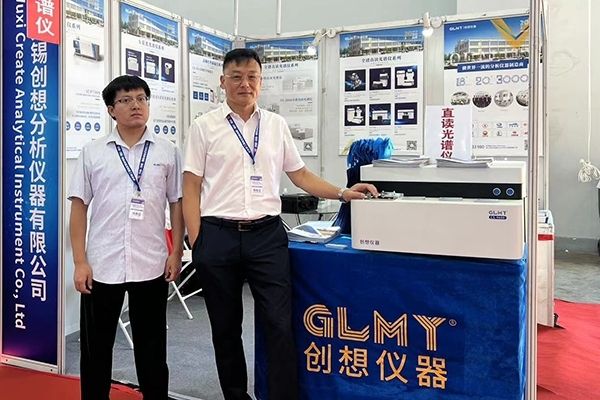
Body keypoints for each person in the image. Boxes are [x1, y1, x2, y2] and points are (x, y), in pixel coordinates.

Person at [182, 48, 378, 400]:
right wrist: (198, 242)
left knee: (278, 323)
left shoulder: (275, 125)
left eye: (252, 77)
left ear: (261, 81)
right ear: (223, 81)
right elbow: (191, 185)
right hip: (218, 236)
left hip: (266, 237)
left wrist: (343, 192)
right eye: (237, 77)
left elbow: (300, 174)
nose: (245, 84)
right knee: (225, 328)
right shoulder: (204, 126)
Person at [68, 75, 184, 400]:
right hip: (103, 264)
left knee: (152, 347)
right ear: (111, 109)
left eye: (141, 98)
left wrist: (176, 252)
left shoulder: (168, 151)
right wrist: (80, 261)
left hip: (151, 262)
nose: (136, 105)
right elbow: (79, 208)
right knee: (96, 347)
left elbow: (177, 204)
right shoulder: (93, 152)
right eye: (126, 100)